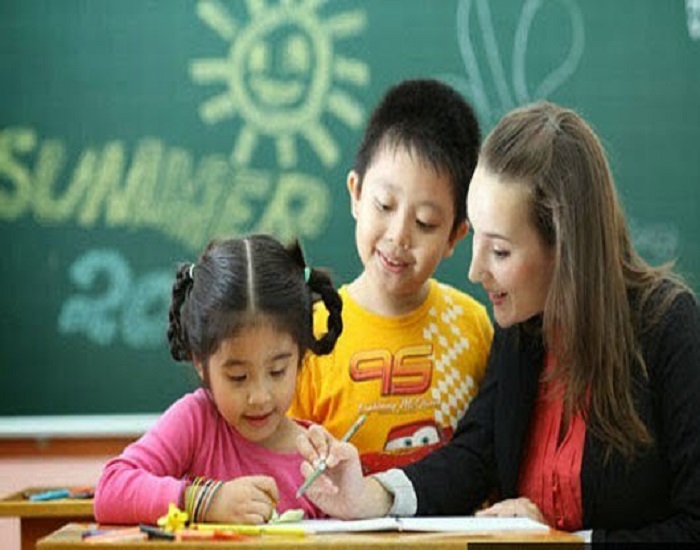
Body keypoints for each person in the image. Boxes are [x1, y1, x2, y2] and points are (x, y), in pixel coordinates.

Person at [295, 101, 700, 542]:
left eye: (501, 251)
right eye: (477, 238)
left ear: (566, 250)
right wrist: (368, 496)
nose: (474, 272)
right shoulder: (522, 328)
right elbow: (474, 457)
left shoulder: (669, 328)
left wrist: (562, 543)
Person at [288, 79, 493, 475]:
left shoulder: (471, 328)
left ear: (455, 236)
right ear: (355, 193)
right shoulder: (310, 335)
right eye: (384, 205)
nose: (399, 236)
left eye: (425, 222)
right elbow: (286, 468)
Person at [94, 234, 343, 525]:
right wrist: (204, 501)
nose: (259, 396)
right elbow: (110, 490)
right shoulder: (197, 422)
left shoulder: (315, 457)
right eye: (238, 377)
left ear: (300, 358)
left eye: (277, 371)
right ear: (201, 363)